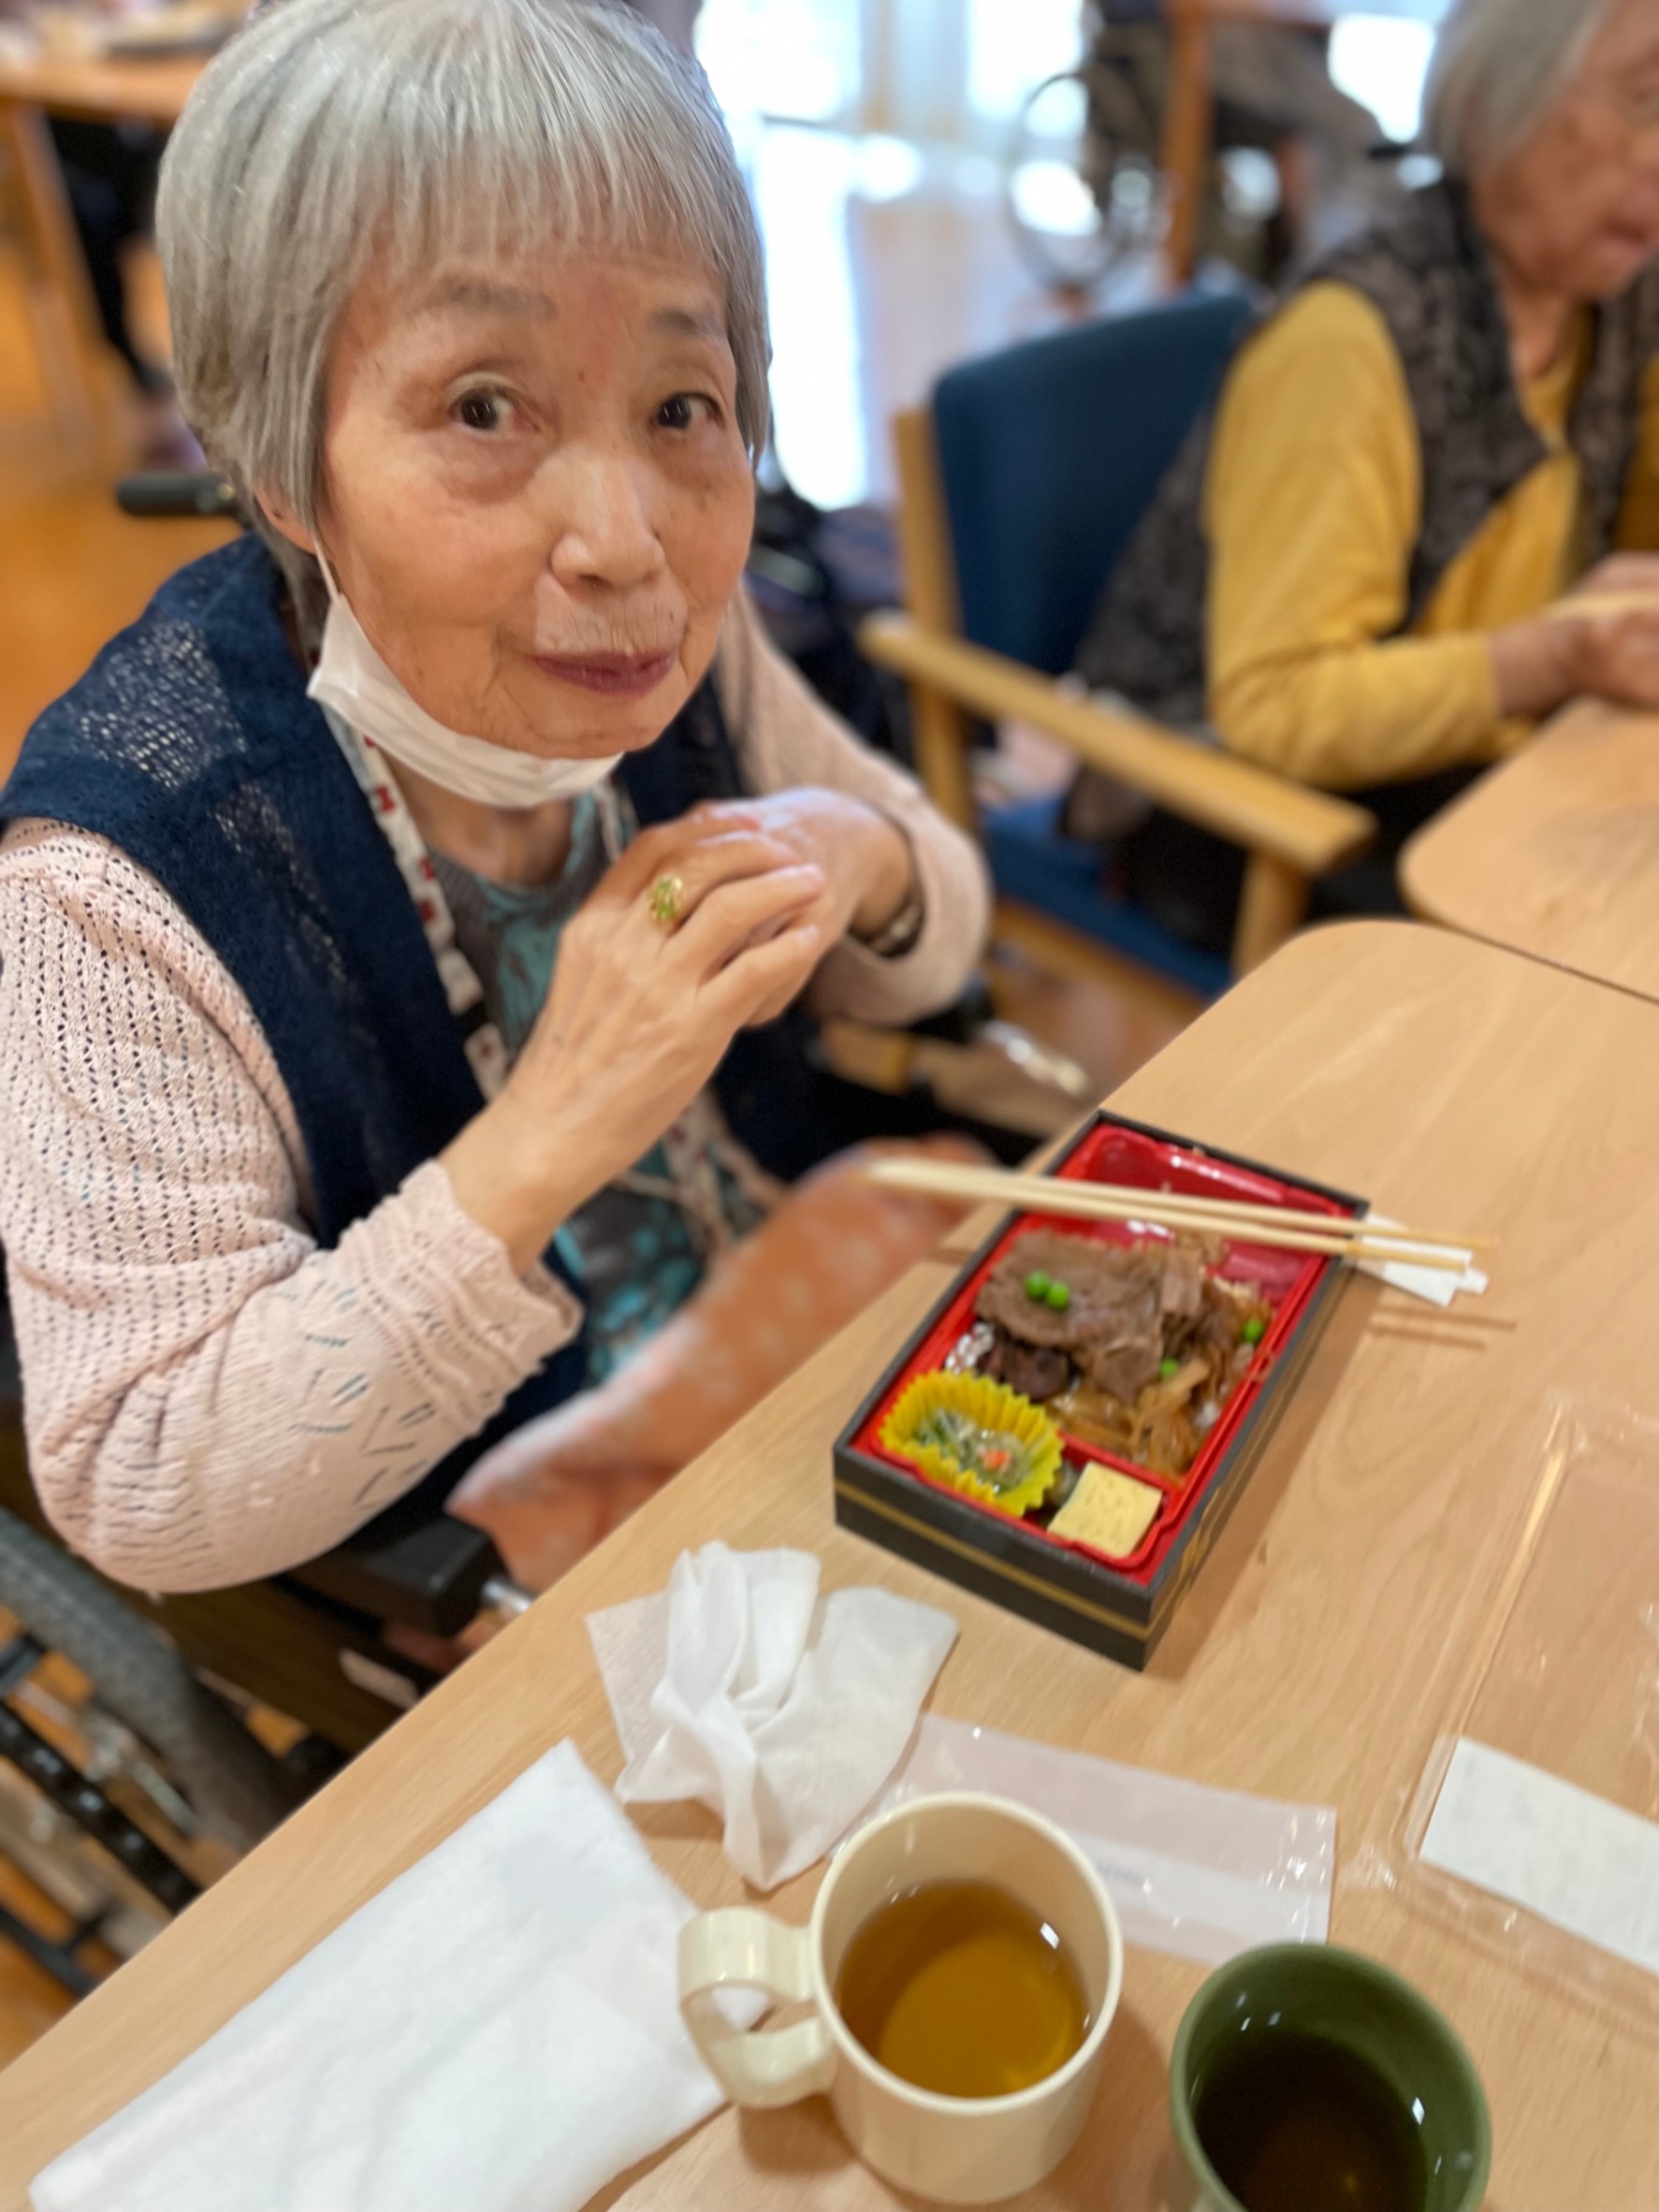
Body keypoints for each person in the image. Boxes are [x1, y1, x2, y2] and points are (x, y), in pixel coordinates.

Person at [0, 0, 990, 1598]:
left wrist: (857, 855)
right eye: (482, 407)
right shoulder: (116, 873)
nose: (625, 541)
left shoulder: (695, 645)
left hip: (797, 1348)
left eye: (680, 406)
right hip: (508, 1541)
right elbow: (142, 1477)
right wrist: (553, 1124)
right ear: (280, 464)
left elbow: (940, 921)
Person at [1070, 0, 1659, 951]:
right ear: (1491, 108)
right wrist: (1553, 658)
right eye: (1644, 100)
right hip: (1246, 811)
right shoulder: (1351, 341)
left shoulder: (1608, 295)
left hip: (1478, 758)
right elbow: (1278, 708)